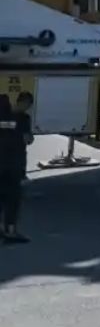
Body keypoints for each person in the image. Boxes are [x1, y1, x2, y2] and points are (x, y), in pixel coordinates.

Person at [0, 94, 30, 243]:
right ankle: (10, 231)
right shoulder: (22, 119)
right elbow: (27, 139)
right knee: (12, 199)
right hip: (14, 164)